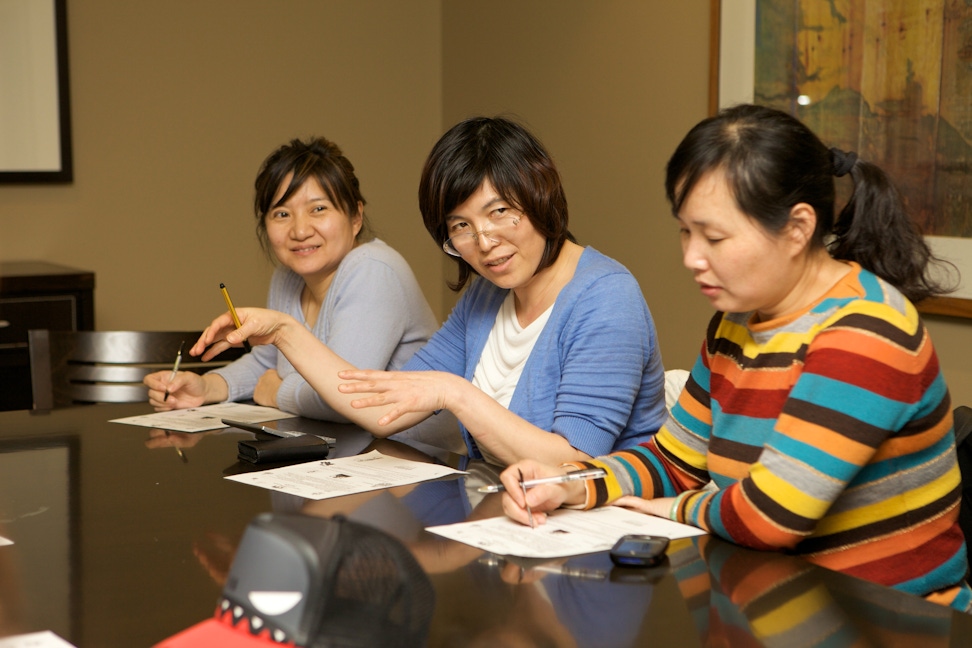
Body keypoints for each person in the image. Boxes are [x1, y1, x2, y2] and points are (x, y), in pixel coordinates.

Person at [499, 104, 972, 612]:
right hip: (772, 602)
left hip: (892, 619)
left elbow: (771, 515)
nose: (691, 258)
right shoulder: (735, 323)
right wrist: (571, 484)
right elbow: (673, 459)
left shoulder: (867, 329)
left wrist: (672, 509)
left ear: (797, 228)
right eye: (685, 231)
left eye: (715, 237)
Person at [190, 116, 668, 466]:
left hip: (599, 540)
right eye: (461, 225)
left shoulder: (606, 297)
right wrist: (285, 330)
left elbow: (573, 463)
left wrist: (453, 392)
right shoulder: (487, 296)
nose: (483, 243)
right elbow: (380, 407)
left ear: (540, 192)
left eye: (499, 211)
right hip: (507, 521)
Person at [144, 137, 438, 421]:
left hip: (413, 460)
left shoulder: (373, 270)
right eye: (282, 214)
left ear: (355, 216)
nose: (299, 231)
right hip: (342, 457)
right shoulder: (288, 277)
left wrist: (277, 392)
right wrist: (206, 388)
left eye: (318, 209)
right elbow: (267, 363)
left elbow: (348, 396)